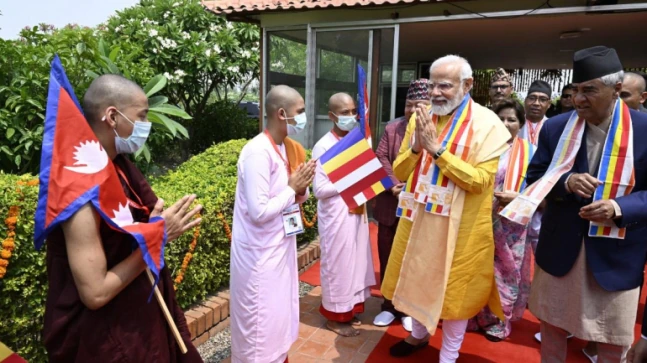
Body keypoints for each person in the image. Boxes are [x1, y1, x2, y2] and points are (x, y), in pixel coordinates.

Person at [42, 74, 204, 362]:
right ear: (113, 117)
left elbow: (134, 231)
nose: (146, 126)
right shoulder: (78, 189)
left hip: (137, 315)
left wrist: (152, 229)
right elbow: (95, 294)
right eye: (141, 116)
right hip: (107, 336)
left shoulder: (117, 166)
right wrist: (158, 236)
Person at [520, 46, 647, 362]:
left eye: (589, 90)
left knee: (611, 341)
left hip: (616, 253)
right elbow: (534, 178)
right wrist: (566, 182)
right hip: (562, 246)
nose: (578, 99)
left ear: (616, 89)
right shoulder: (555, 127)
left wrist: (619, 208)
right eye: (575, 90)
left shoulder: (645, 131)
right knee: (551, 329)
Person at [382, 55, 511, 362]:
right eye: (433, 86)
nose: (436, 93)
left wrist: (438, 151)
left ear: (467, 85)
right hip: (420, 219)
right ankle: (417, 336)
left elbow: (480, 182)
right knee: (414, 278)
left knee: (456, 293)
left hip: (461, 227)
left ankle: (449, 356)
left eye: (445, 86)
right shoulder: (422, 116)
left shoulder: (488, 124)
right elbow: (400, 172)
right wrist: (416, 147)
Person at [230, 85, 316, 362]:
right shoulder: (257, 152)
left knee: (278, 315)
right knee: (260, 320)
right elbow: (259, 211)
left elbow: (291, 198)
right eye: (299, 112)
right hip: (259, 255)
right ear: (282, 113)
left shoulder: (287, 148)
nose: (304, 117)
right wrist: (292, 188)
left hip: (280, 247)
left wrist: (301, 189)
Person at [467, 99, 535, 342]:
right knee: (477, 269)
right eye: (501, 118)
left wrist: (517, 197)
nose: (505, 124)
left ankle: (498, 321)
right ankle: (473, 315)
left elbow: (539, 189)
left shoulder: (530, 151)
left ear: (521, 123)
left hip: (512, 225)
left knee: (506, 273)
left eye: (512, 119)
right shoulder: (480, 147)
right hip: (480, 219)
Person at [312, 92, 375, 337]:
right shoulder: (324, 145)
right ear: (331, 116)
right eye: (344, 112)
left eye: (353, 112)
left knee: (357, 262)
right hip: (336, 216)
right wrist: (349, 179)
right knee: (338, 265)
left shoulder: (356, 141)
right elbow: (319, 189)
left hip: (356, 212)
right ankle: (335, 317)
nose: (351, 117)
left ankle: (350, 309)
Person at [372, 79, 431, 332]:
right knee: (387, 256)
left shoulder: (438, 131)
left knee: (413, 262)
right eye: (409, 104)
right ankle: (388, 306)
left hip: (421, 207)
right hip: (391, 204)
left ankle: (407, 309)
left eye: (420, 105)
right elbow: (381, 156)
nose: (413, 110)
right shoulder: (392, 128)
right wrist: (395, 185)